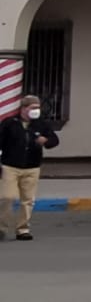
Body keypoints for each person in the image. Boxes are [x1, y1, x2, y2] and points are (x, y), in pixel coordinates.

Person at [1, 95, 60, 242]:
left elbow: (54, 140)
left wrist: (45, 141)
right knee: (6, 198)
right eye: (33, 108)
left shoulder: (40, 124)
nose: (36, 111)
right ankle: (1, 228)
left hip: (32, 167)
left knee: (27, 200)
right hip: (10, 166)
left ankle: (23, 229)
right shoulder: (10, 123)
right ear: (23, 108)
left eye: (38, 108)